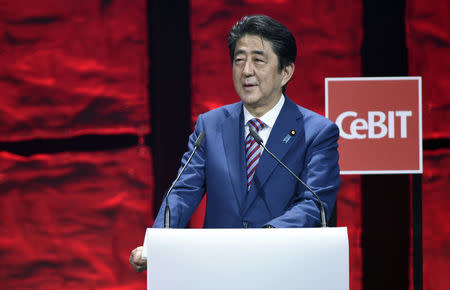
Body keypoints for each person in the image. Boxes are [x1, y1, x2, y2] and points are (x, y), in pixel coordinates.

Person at [130, 15, 340, 272]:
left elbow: (315, 204)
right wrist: (157, 243)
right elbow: (183, 191)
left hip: (285, 270)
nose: (246, 71)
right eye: (239, 60)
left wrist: (264, 237)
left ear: (285, 72)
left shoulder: (317, 132)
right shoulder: (210, 125)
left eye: (258, 60)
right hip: (218, 271)